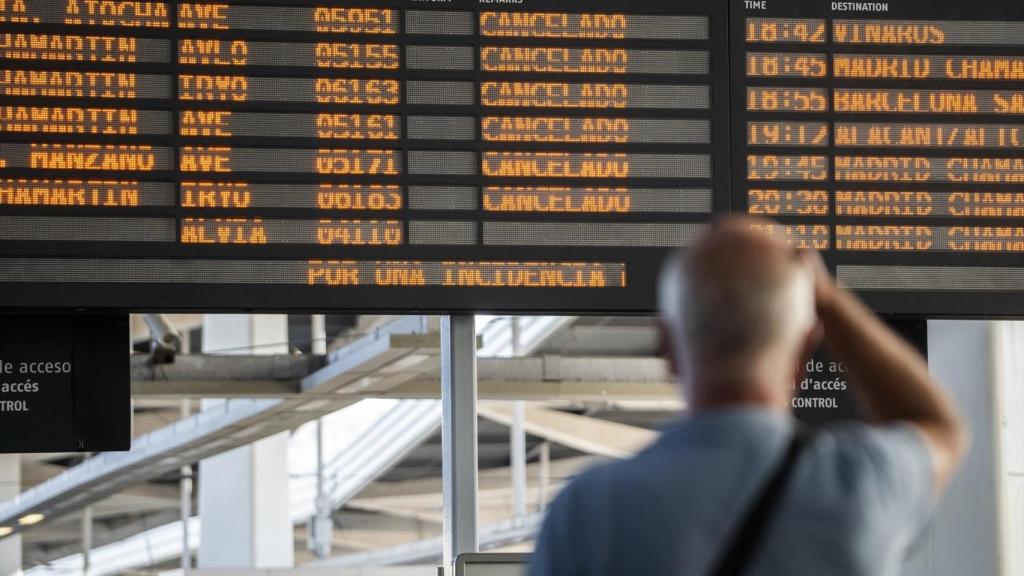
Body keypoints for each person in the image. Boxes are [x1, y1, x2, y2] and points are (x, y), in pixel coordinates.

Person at [529, 216, 968, 576]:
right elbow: (937, 423)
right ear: (803, 351)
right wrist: (828, 299)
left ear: (667, 347)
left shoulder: (587, 510)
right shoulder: (859, 485)